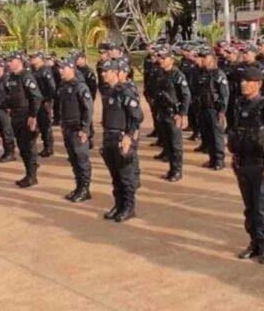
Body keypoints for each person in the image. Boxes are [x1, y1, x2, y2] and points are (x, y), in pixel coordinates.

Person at [228, 66, 264, 265]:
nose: (243, 84)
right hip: (242, 163)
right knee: (249, 207)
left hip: (261, 165)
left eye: (248, 81)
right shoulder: (239, 104)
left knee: (262, 208)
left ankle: (263, 246)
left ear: (259, 84)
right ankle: (253, 242)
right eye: (242, 81)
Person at [100, 60, 144, 222]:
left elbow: (137, 116)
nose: (103, 74)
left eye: (107, 71)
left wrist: (128, 136)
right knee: (115, 177)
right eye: (103, 71)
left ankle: (128, 207)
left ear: (116, 72)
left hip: (121, 138)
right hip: (109, 136)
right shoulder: (108, 91)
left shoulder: (125, 92)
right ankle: (118, 205)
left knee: (126, 176)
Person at [56, 58, 94, 203]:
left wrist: (85, 129)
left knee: (81, 159)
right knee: (73, 159)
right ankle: (78, 186)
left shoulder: (80, 87)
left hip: (78, 129)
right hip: (67, 127)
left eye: (63, 68)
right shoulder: (64, 86)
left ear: (71, 69)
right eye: (60, 68)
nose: (60, 71)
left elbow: (87, 109)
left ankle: (85, 189)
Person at [5, 52, 43, 188]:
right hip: (16, 116)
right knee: (22, 147)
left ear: (19, 61)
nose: (8, 64)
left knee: (29, 146)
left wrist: (33, 116)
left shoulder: (26, 76)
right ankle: (28, 173)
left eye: (11, 61)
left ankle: (32, 176)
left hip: (26, 115)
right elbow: (10, 96)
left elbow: (36, 97)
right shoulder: (12, 77)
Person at [154, 47, 191, 182]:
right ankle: (171, 169)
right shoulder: (160, 73)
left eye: (164, 58)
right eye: (160, 58)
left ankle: (177, 171)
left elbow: (186, 95)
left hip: (174, 113)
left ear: (171, 59)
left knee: (176, 145)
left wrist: (182, 114)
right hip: (162, 112)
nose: (161, 60)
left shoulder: (178, 75)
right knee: (167, 143)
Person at [196, 48, 229, 170]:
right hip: (203, 109)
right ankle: (212, 159)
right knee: (207, 135)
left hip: (215, 109)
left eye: (205, 57)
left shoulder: (219, 74)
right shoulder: (203, 73)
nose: (203, 60)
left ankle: (220, 160)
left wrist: (222, 111)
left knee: (217, 136)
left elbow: (224, 94)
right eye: (201, 57)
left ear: (212, 58)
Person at [30, 52, 57, 158]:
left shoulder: (45, 70)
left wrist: (48, 100)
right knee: (38, 124)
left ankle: (48, 147)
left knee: (45, 125)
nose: (32, 59)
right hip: (36, 101)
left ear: (40, 59)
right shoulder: (33, 70)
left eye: (34, 57)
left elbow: (52, 87)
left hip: (44, 101)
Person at [0, 60, 16, 162]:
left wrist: (10, 107)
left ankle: (10, 153)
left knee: (7, 131)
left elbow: (12, 94)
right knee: (1, 131)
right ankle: (6, 152)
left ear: (2, 67)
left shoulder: (7, 79)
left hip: (5, 109)